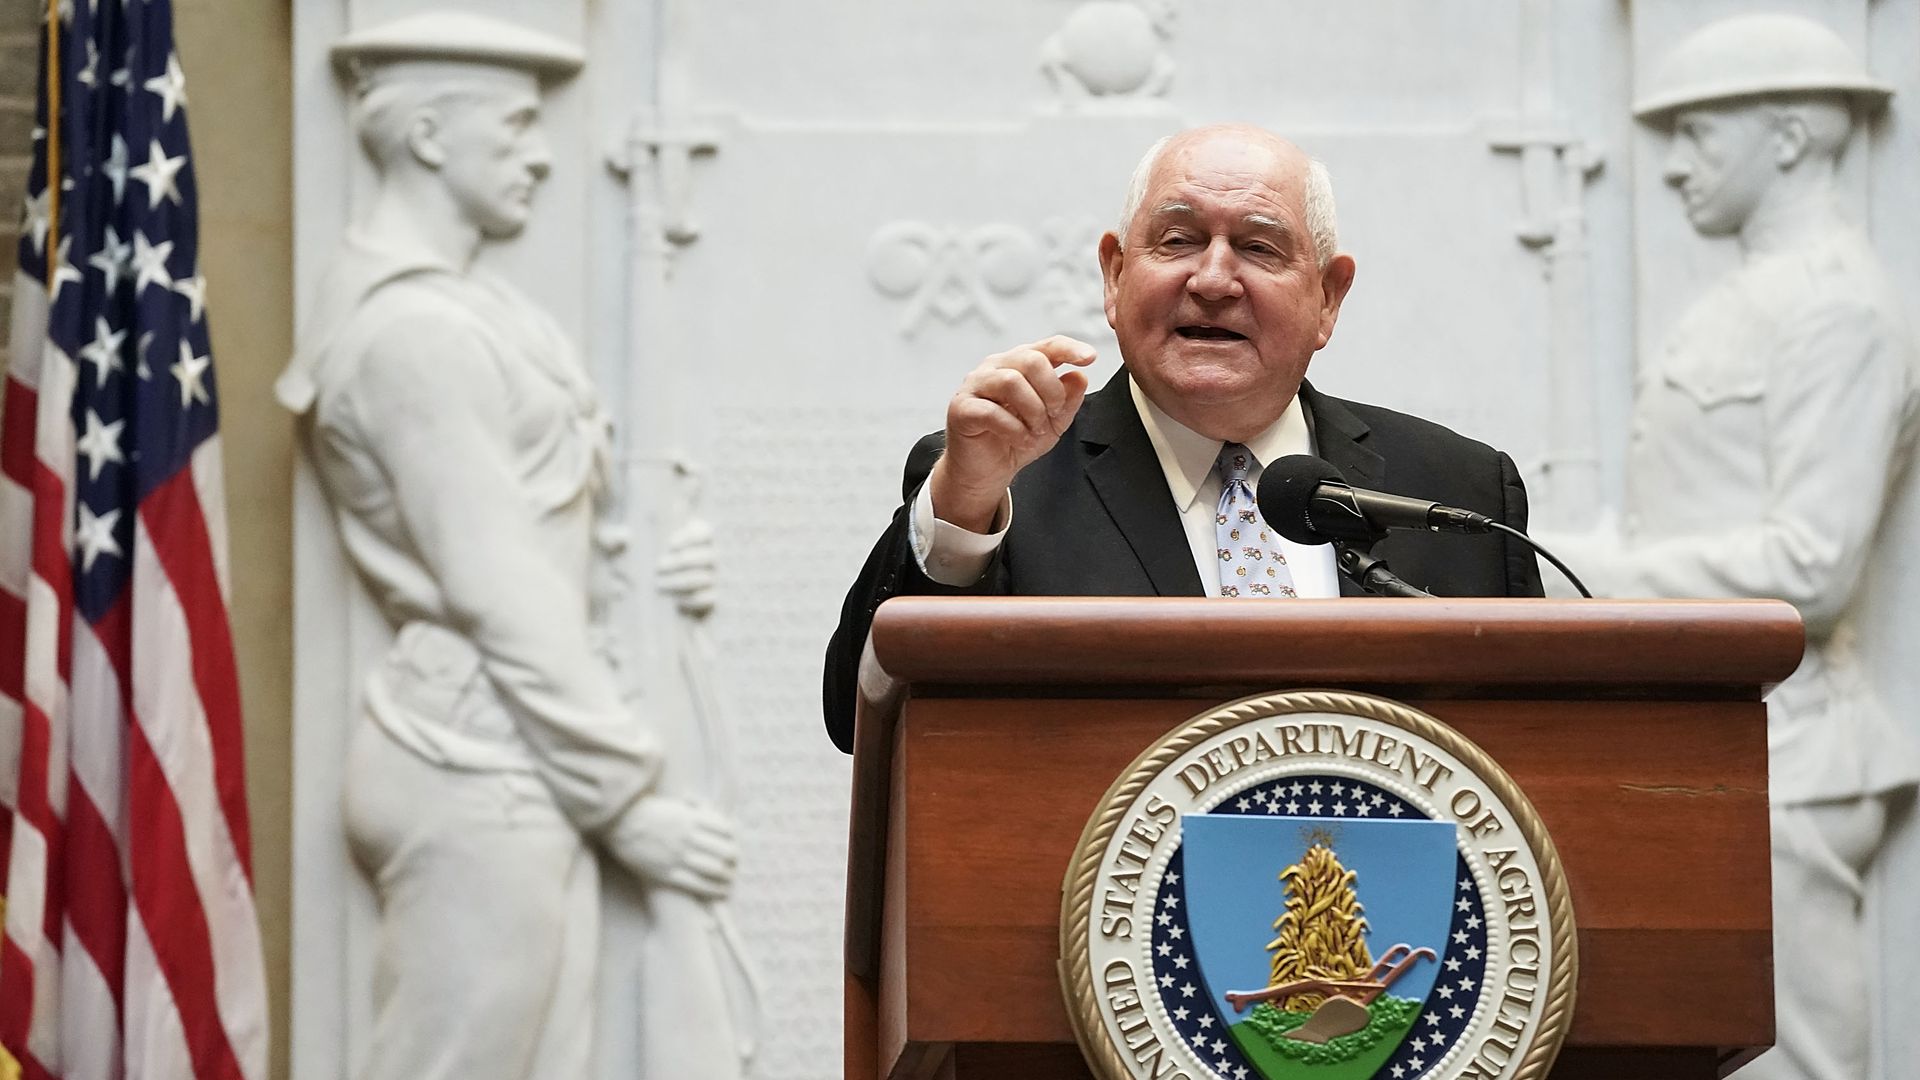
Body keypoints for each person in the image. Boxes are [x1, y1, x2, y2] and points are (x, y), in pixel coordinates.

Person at [276, 13, 740, 1079]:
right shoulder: (413, 335)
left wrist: (650, 566)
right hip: (474, 764)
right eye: (517, 126)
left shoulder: (477, 311)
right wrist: (626, 802)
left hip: (517, 758)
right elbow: (496, 583)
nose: (542, 154)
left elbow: (546, 530)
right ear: (428, 134)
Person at [823, 123, 1544, 752]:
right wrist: (964, 503)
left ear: (1328, 297)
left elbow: (1538, 752)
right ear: (1115, 275)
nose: (1214, 279)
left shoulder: (1459, 492)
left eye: (1259, 247)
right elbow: (861, 720)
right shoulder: (998, 483)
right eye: (1178, 241)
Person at [1534, 15, 1920, 1080]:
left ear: (1789, 137)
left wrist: (1585, 581)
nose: (1671, 166)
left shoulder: (1838, 311)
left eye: (1699, 132)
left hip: (1788, 757)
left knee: (1795, 1063)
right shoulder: (1751, 302)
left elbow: (1813, 568)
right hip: (1723, 744)